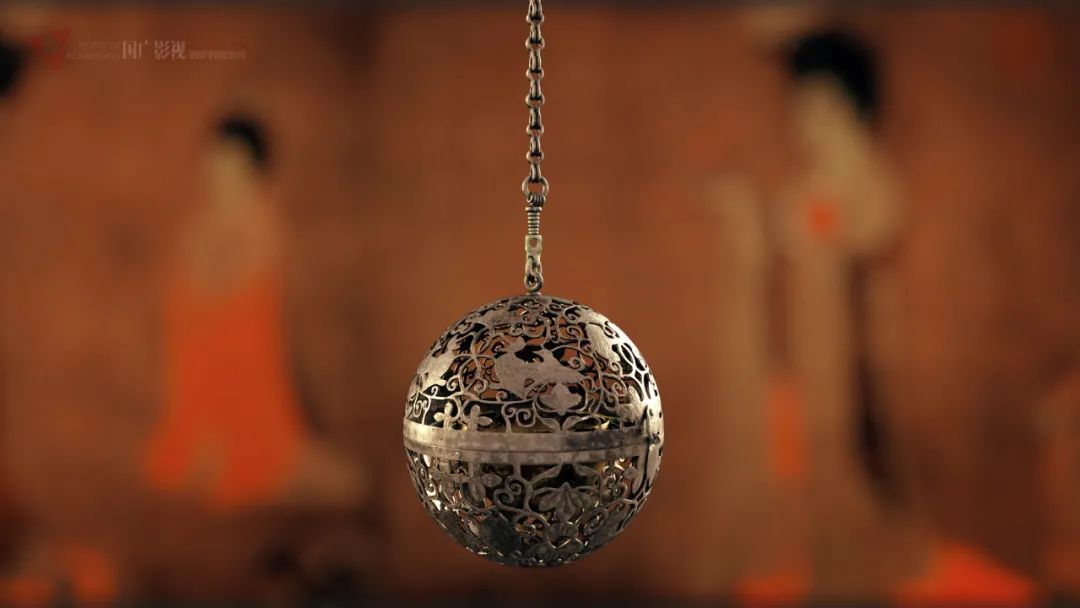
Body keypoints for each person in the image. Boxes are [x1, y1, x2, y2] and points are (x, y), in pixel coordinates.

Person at [143, 115, 366, 510]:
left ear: (254, 171)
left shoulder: (264, 224)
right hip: (195, 383)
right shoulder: (197, 227)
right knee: (173, 465)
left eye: (233, 166)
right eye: (216, 164)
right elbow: (185, 302)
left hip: (247, 383)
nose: (221, 176)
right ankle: (206, 435)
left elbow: (240, 302)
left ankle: (231, 440)